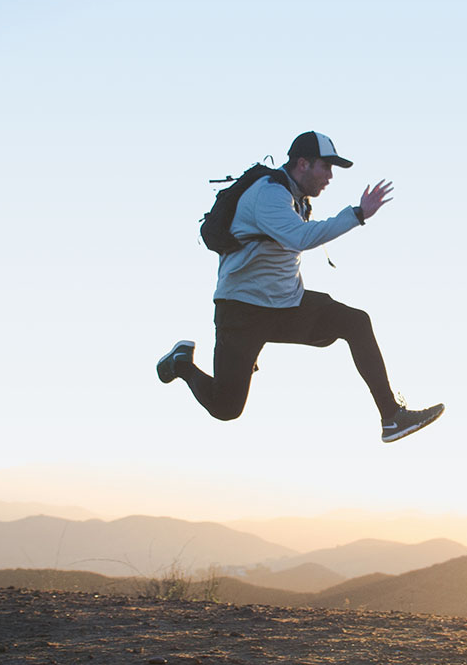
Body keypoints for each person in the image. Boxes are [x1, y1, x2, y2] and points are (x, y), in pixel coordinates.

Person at [157, 130, 444, 442]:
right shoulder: (268, 193)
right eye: (326, 167)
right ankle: (183, 363)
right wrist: (358, 214)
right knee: (227, 407)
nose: (330, 176)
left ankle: (392, 418)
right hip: (243, 311)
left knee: (355, 322)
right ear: (303, 164)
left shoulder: (297, 199)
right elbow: (299, 238)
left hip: (286, 306)